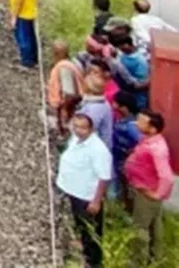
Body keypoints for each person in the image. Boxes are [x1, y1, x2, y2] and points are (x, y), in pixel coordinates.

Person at [54, 113, 112, 268]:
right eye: (76, 126)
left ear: (91, 129)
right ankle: (84, 251)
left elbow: (104, 177)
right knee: (80, 225)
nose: (78, 130)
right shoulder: (75, 138)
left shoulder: (98, 150)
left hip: (86, 197)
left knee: (91, 231)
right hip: (73, 191)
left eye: (83, 128)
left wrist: (96, 201)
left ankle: (93, 262)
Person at [124, 110, 174, 262]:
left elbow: (167, 176)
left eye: (141, 122)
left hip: (146, 192)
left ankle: (138, 260)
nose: (136, 123)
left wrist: (157, 194)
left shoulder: (156, 148)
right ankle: (155, 257)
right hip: (145, 189)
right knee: (154, 225)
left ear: (152, 128)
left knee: (141, 227)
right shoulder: (150, 140)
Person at [7, 0, 41, 69]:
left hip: (22, 13)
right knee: (31, 37)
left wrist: (13, 17)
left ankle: (26, 62)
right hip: (31, 11)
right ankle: (33, 59)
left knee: (23, 38)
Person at [47, 40, 84, 138]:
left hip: (66, 106)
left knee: (66, 128)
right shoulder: (72, 63)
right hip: (70, 104)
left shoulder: (64, 68)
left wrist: (65, 111)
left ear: (56, 53)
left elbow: (69, 94)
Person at [111, 93, 142, 198]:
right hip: (119, 159)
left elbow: (141, 142)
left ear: (123, 107)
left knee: (128, 188)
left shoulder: (131, 125)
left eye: (115, 103)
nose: (112, 105)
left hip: (125, 162)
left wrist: (132, 153)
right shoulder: (123, 119)